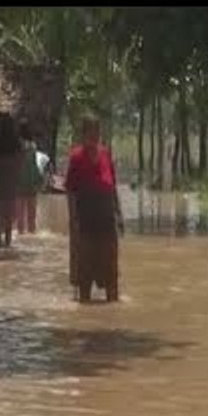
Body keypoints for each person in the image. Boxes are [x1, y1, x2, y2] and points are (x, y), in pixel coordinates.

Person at [64, 114, 123, 303]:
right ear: (83, 134)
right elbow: (70, 190)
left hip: (106, 219)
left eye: (97, 131)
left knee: (111, 272)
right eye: (90, 131)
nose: (95, 135)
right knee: (85, 272)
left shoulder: (106, 154)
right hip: (86, 219)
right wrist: (73, 219)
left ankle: (113, 309)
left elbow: (112, 187)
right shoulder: (76, 157)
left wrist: (119, 215)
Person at [0, 112, 20, 247]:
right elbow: (20, 161)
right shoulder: (16, 142)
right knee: (9, 212)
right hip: (11, 181)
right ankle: (8, 240)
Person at [12, 119, 45, 235]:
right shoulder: (33, 146)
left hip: (19, 183)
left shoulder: (16, 146)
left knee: (20, 216)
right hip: (31, 183)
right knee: (32, 217)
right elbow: (36, 165)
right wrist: (40, 181)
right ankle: (32, 235)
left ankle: (21, 234)